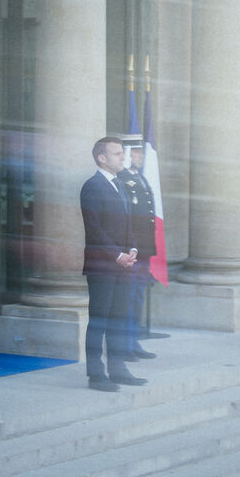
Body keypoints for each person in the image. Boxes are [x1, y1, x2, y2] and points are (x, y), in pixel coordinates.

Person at [79, 135, 144, 391]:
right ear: (101, 158)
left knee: (118, 319)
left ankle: (118, 369)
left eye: (122, 153)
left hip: (123, 265)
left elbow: (127, 225)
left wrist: (133, 249)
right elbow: (94, 229)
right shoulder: (92, 186)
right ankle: (96, 375)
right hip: (102, 266)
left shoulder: (120, 184)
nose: (123, 158)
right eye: (117, 154)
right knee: (99, 320)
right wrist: (117, 255)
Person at [118, 135, 158, 361]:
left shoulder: (139, 178)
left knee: (137, 297)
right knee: (127, 298)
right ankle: (124, 345)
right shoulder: (122, 179)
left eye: (141, 152)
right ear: (127, 154)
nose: (141, 156)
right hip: (132, 250)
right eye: (137, 152)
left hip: (144, 249)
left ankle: (133, 341)